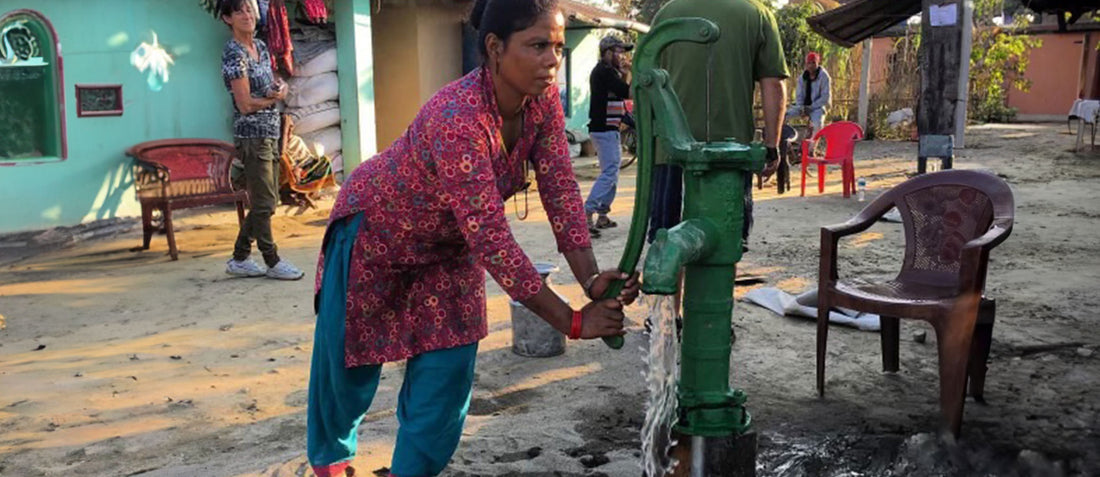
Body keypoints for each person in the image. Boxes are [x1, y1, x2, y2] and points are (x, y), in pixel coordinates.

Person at [305, 1, 640, 476]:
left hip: (448, 249)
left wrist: (591, 281)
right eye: (538, 45)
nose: (552, 60)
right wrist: (572, 322)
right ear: (494, 48)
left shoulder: (542, 104)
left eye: (559, 47)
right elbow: (493, 241)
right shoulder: (458, 116)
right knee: (349, 372)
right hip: (376, 232)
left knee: (446, 379)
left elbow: (562, 193)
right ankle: (332, 464)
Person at [647, 0, 788, 335]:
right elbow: (774, 84)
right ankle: (712, 318)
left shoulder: (667, 13)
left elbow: (645, 81)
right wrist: (771, 146)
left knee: (669, 235)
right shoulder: (756, 14)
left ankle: (666, 320)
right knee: (725, 237)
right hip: (730, 154)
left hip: (671, 150)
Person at [219, 0, 304, 280]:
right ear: (227, 19)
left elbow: (272, 81)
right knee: (265, 201)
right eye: (239, 11)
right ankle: (272, 259)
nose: (247, 15)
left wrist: (280, 87)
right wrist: (272, 98)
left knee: (270, 199)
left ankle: (240, 257)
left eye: (249, 9)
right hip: (252, 135)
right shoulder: (234, 53)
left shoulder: (261, 47)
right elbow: (244, 104)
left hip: (270, 132)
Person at [584, 34, 633, 235]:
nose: (622, 56)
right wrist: (630, 73)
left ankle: (603, 214)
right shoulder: (604, 72)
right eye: (618, 52)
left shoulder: (608, 71)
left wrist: (623, 73)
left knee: (611, 171)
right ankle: (587, 212)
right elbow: (627, 92)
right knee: (610, 171)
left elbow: (621, 93)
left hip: (608, 128)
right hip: (604, 128)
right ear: (607, 53)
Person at [786, 51, 831, 136]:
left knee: (818, 125)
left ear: (818, 63)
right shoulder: (802, 78)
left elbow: (825, 97)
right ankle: (786, 141)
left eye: (813, 63)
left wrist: (811, 107)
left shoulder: (824, 76)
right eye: (808, 63)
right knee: (784, 116)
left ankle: (812, 147)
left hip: (818, 107)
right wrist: (802, 108)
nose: (811, 65)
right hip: (803, 106)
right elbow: (799, 96)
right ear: (806, 64)